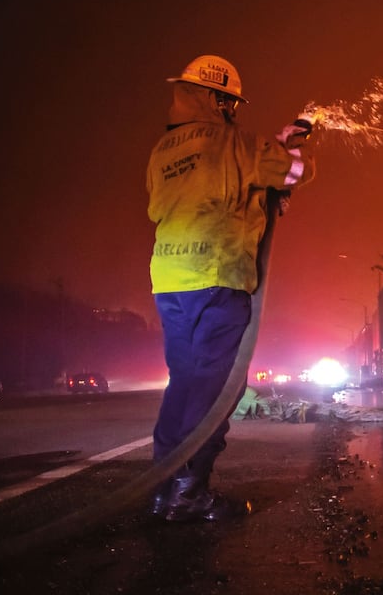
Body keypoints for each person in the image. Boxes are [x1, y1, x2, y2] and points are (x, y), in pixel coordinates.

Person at [146, 55, 314, 522]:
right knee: (217, 390)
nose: (234, 110)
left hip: (169, 280)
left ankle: (161, 488)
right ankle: (188, 493)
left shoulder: (163, 150)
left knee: (183, 384)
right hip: (217, 277)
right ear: (219, 100)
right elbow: (295, 173)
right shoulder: (236, 142)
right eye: (231, 102)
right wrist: (290, 144)